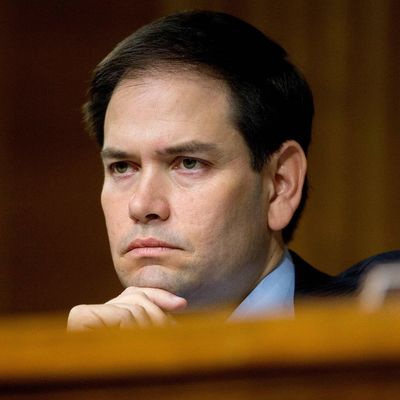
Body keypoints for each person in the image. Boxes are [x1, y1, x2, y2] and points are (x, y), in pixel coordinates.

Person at [67, 10, 379, 330]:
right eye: (122, 167)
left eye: (189, 163)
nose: (142, 205)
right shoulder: (90, 363)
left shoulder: (380, 320)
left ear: (280, 184)